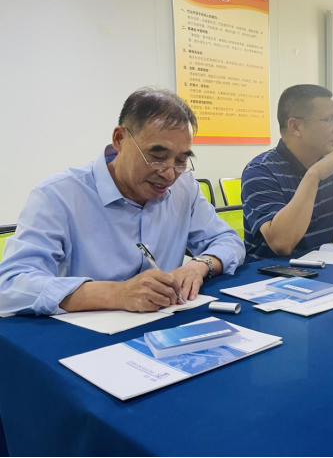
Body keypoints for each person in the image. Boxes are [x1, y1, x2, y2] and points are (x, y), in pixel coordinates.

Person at [0, 88, 245, 317]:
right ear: (119, 139)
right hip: (85, 335)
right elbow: (11, 285)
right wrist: (117, 294)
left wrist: (199, 265)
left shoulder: (184, 187)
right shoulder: (59, 196)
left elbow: (228, 241)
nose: (170, 174)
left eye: (181, 160)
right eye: (157, 156)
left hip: (163, 326)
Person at [242, 85, 333, 261]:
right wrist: (314, 175)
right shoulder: (260, 171)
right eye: (329, 120)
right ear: (295, 127)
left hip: (321, 268)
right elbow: (282, 244)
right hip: (268, 273)